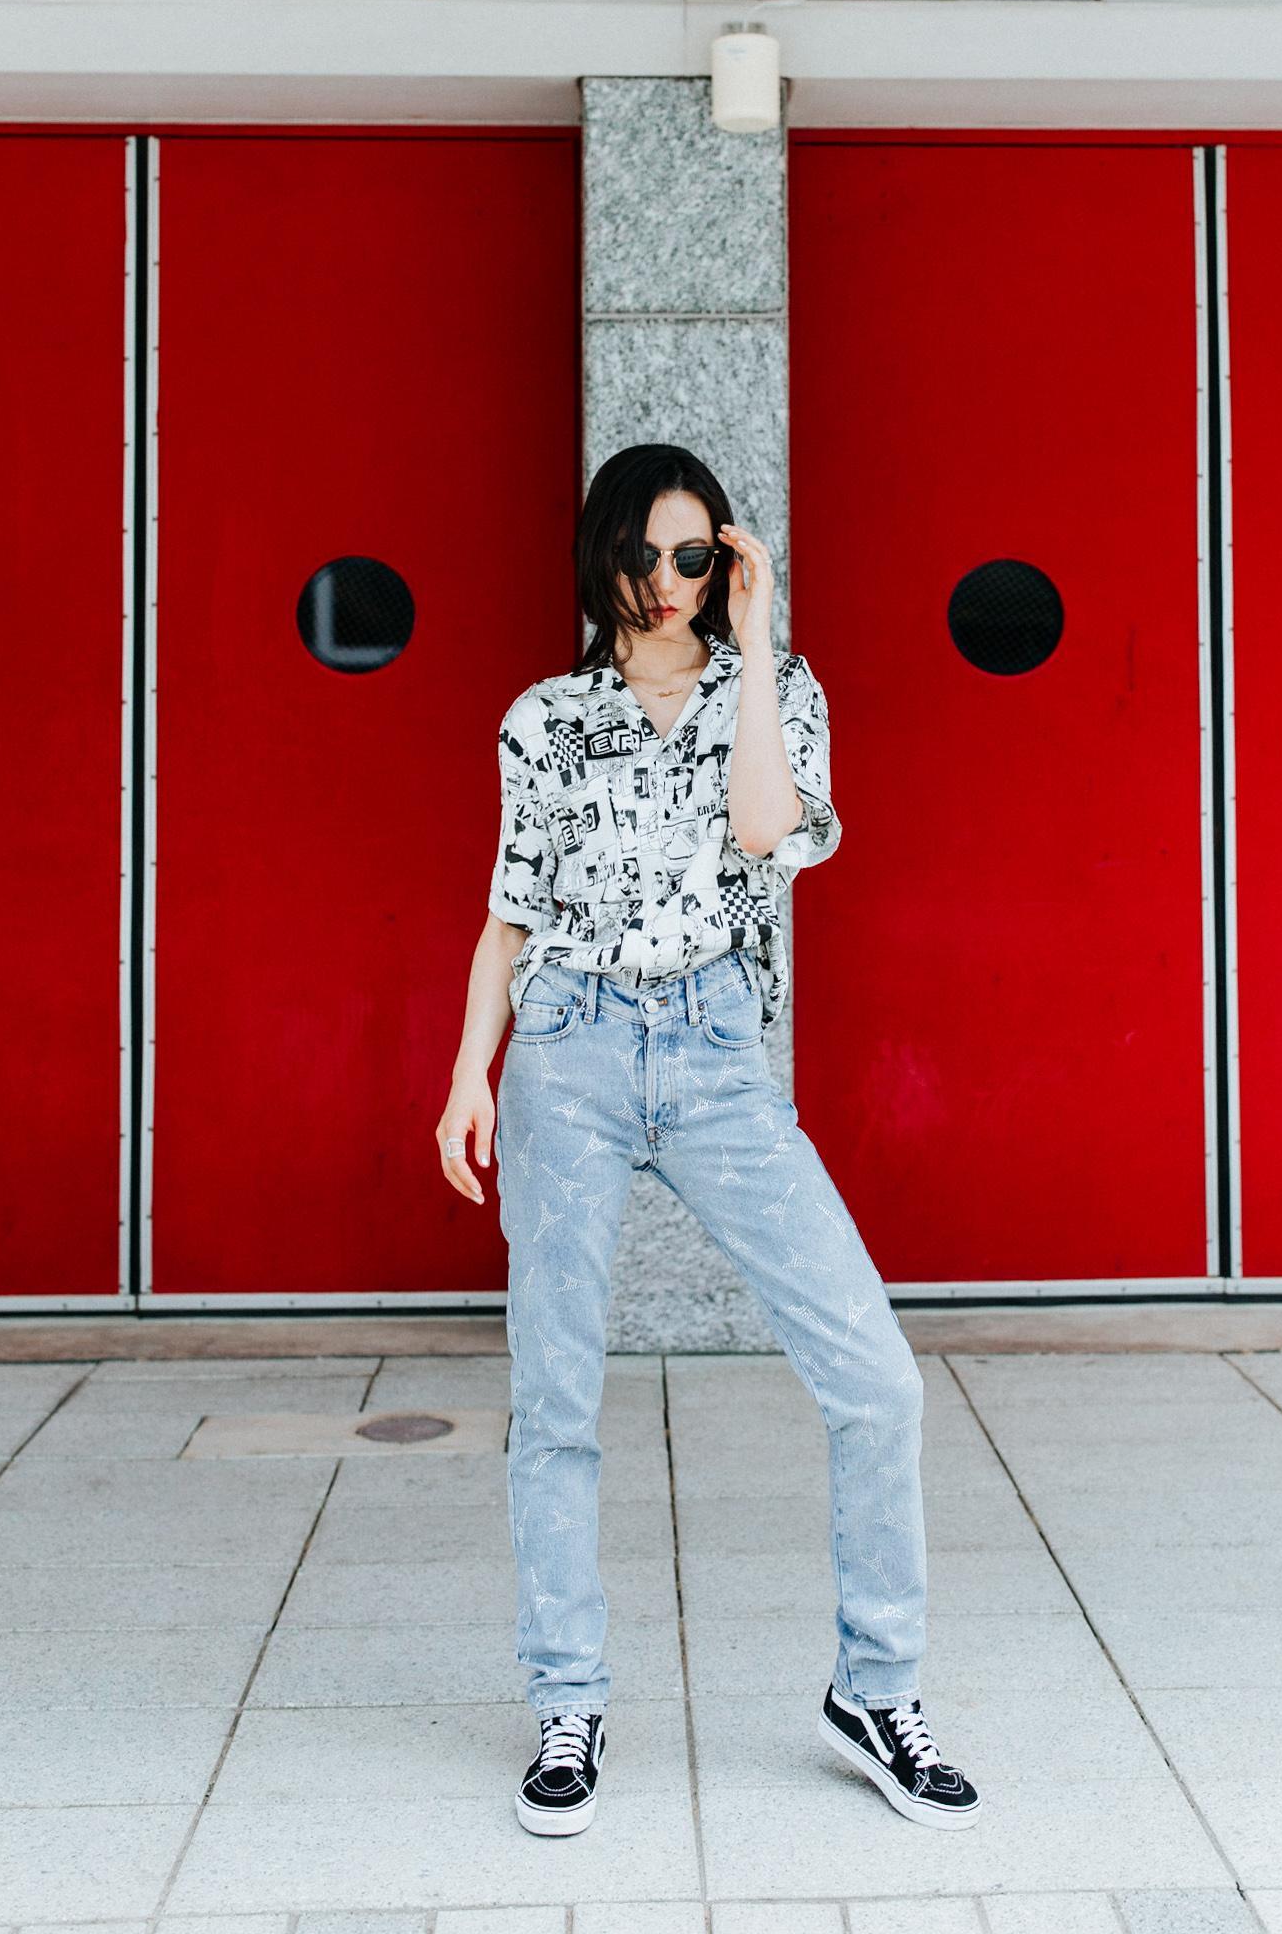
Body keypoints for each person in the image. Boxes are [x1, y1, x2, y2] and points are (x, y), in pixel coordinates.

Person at [436, 443, 981, 1837]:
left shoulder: (778, 695)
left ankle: (876, 1690)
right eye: (648, 554)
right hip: (567, 1047)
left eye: (697, 558)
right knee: (555, 1396)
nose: (667, 583)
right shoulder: (545, 719)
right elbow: (512, 905)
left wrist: (757, 639)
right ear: (603, 554)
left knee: (877, 1377)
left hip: (718, 1051)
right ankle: (569, 1701)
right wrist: (469, 1075)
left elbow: (762, 831)